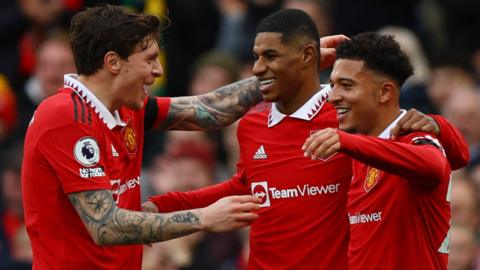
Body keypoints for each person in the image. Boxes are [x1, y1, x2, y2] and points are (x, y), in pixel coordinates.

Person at [146, 9, 469, 269]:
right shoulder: (253, 122)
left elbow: (442, 158)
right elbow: (247, 187)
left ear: (307, 56)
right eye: (256, 56)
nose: (258, 68)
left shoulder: (351, 117)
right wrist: (162, 205)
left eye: (270, 56)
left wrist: (439, 126)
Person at [21, 5, 264, 270]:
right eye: (149, 59)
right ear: (113, 62)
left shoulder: (125, 107)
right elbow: (106, 226)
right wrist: (204, 218)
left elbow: (209, 110)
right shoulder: (64, 116)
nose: (158, 70)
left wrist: (285, 68)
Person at [302, 32, 469, 269]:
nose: (332, 97)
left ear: (385, 92)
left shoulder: (415, 138)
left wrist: (347, 142)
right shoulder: (360, 150)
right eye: (333, 85)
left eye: (346, 86)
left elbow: (434, 164)